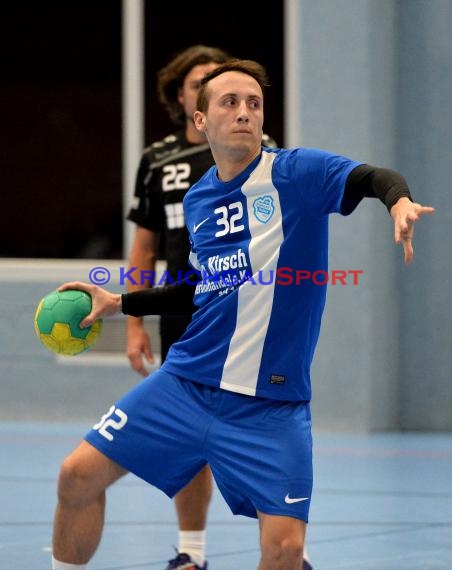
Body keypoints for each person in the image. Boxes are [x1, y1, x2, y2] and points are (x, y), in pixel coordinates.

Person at [51, 59, 435, 570]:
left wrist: (399, 201)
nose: (244, 112)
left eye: (254, 103)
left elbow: (372, 177)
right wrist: (121, 302)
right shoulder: (199, 198)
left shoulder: (297, 172)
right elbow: (197, 290)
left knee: (285, 550)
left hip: (270, 406)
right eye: (229, 102)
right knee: (76, 475)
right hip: (186, 383)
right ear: (201, 119)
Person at [125, 45, 295, 570]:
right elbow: (144, 248)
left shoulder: (257, 148)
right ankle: (191, 552)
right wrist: (134, 320)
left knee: (263, 425)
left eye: (245, 96)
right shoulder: (158, 159)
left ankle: (291, 550)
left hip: (247, 306)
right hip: (182, 304)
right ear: (187, 99)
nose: (237, 104)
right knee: (190, 433)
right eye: (207, 83)